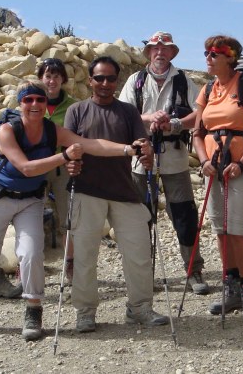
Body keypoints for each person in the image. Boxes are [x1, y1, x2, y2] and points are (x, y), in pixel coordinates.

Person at [0, 79, 145, 340]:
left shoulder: (51, 130)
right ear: (20, 103)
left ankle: (33, 311)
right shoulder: (7, 131)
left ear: (46, 105)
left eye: (40, 100)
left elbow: (91, 144)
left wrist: (128, 150)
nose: (34, 104)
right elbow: (26, 167)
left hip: (30, 200)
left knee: (32, 254)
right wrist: (65, 157)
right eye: (28, 100)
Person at [64, 56, 169, 333]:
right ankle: (85, 312)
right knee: (86, 255)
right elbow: (70, 147)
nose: (105, 83)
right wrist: (69, 161)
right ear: (90, 81)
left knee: (138, 252)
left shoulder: (128, 112)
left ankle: (140, 308)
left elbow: (140, 142)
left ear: (117, 81)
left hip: (124, 189)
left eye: (111, 78)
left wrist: (146, 153)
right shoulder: (76, 111)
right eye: (99, 78)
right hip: (87, 189)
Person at [118, 31, 209, 296]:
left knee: (184, 215)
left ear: (172, 53)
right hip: (141, 158)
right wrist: (149, 118)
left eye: (165, 49)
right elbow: (124, 113)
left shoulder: (183, 81)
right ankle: (143, 273)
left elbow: (199, 114)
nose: (159, 53)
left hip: (175, 157)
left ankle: (194, 270)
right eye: (155, 49)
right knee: (140, 216)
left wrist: (175, 123)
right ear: (148, 53)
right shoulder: (136, 81)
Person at [192, 35, 243, 327]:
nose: (208, 58)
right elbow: (198, 133)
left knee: (237, 231)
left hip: (238, 168)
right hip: (215, 168)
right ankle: (231, 287)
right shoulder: (208, 89)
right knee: (221, 230)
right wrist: (203, 161)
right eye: (206, 53)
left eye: (214, 53)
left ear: (230, 57)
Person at [37, 58, 78, 283]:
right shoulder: (33, 101)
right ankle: (31, 267)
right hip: (38, 167)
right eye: (48, 76)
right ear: (41, 78)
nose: (52, 81)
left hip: (63, 168)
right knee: (32, 218)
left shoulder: (73, 105)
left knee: (67, 218)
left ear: (63, 79)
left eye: (56, 76)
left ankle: (70, 265)